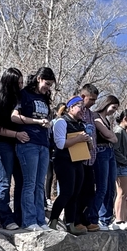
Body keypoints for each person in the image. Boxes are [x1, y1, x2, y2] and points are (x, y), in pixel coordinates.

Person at [13, 67, 55, 230]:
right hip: (28, 143)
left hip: (43, 144)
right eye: (46, 83)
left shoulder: (45, 98)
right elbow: (14, 117)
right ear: (39, 78)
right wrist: (36, 122)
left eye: (50, 85)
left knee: (39, 184)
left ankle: (40, 220)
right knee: (29, 183)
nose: (48, 87)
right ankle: (29, 220)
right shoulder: (24, 94)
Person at [0, 67, 27, 229]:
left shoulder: (20, 100)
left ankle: (19, 216)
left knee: (22, 181)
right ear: (10, 83)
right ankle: (6, 218)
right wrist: (16, 135)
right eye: (18, 83)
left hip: (18, 144)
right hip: (1, 144)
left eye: (22, 83)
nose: (21, 86)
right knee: (5, 181)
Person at [49, 96, 95, 234]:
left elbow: (91, 148)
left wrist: (88, 140)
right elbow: (60, 144)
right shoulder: (61, 122)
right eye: (80, 107)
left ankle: (71, 223)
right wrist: (78, 138)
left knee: (76, 194)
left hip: (78, 161)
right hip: (63, 161)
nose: (83, 110)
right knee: (67, 192)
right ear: (71, 107)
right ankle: (53, 220)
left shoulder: (81, 124)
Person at [87, 93, 119, 229]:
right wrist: (110, 136)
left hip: (110, 152)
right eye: (113, 107)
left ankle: (105, 219)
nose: (114, 110)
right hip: (100, 152)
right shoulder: (95, 116)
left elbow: (113, 138)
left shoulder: (107, 119)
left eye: (116, 108)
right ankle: (94, 217)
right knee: (102, 187)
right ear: (106, 104)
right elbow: (107, 134)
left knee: (111, 187)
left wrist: (110, 136)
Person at [75, 84, 101, 231]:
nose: (93, 102)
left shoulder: (91, 114)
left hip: (90, 159)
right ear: (83, 96)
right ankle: (74, 220)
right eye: (92, 99)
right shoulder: (75, 111)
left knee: (89, 192)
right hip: (77, 159)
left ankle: (85, 220)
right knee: (77, 192)